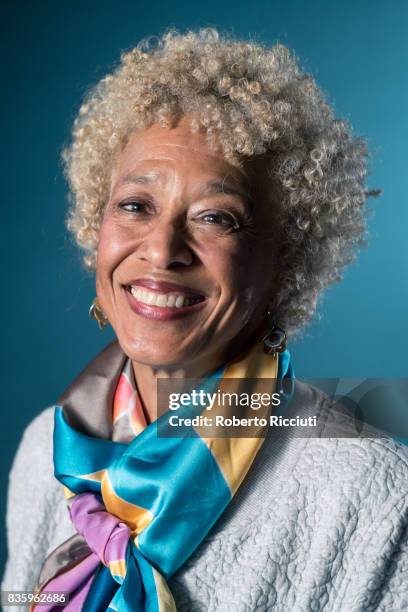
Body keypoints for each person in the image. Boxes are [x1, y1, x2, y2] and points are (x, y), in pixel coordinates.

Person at [2, 28, 407, 611]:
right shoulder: (46, 449)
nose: (163, 250)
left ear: (285, 262)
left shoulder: (374, 493)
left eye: (216, 217)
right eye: (136, 206)